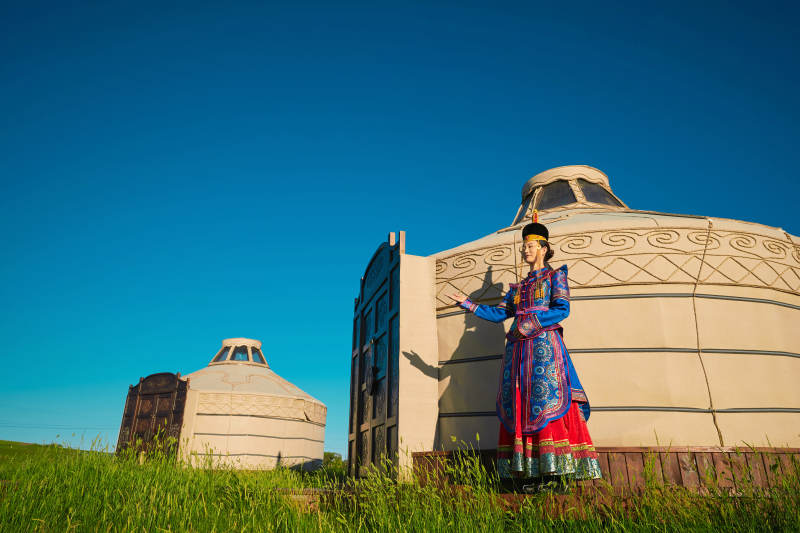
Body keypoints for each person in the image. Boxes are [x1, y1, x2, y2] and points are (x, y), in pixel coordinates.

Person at [450, 213, 601, 492]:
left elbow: (562, 309)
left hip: (544, 348)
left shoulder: (556, 277)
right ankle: (530, 475)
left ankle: (556, 475)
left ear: (543, 248)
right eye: (523, 246)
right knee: (521, 404)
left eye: (530, 246)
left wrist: (529, 323)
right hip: (519, 352)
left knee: (546, 402)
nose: (525, 250)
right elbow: (500, 314)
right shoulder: (518, 288)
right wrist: (469, 304)